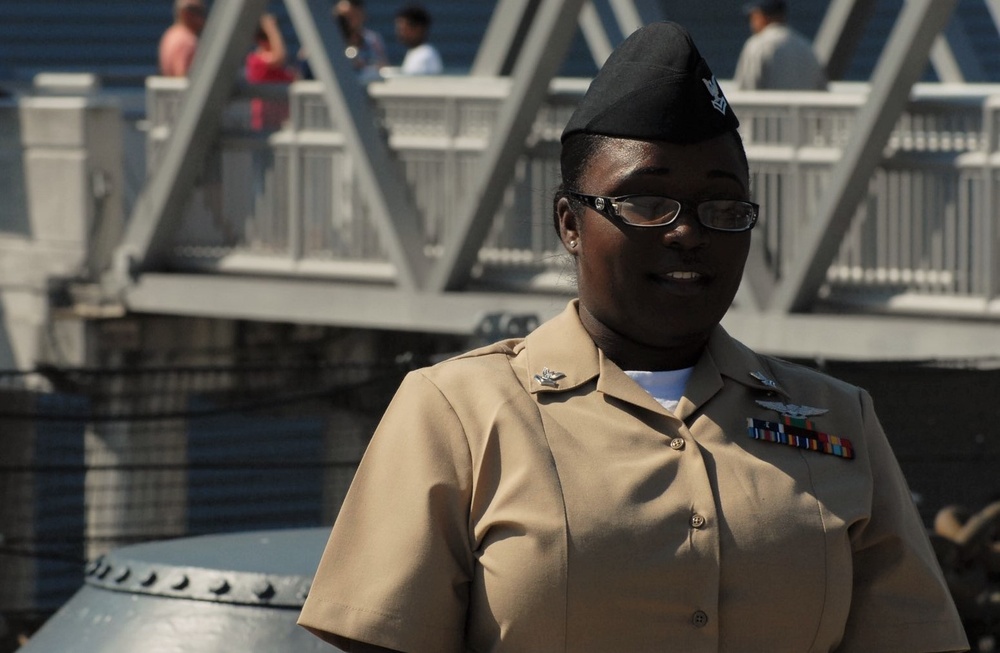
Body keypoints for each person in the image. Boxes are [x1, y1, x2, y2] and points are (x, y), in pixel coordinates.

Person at [298, 21, 969, 653]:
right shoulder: (458, 413)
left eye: (723, 206)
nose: (688, 231)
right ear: (568, 222)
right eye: (646, 202)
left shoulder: (837, 416)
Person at [733, 0, 827, 90]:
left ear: (761, 16)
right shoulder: (807, 48)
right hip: (806, 106)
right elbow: (822, 93)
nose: (751, 24)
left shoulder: (757, 46)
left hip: (768, 106)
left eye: (752, 17)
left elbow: (746, 93)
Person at [245, 13, 297, 131]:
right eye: (266, 37)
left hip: (283, 122)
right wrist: (271, 29)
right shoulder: (255, 60)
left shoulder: (280, 67)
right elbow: (279, 57)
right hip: (266, 124)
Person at [335, 0, 388, 82]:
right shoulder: (330, 41)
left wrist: (363, 66)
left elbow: (382, 66)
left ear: (362, 15)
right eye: (343, 18)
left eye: (351, 16)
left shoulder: (372, 39)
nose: (346, 22)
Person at [158, 0, 207, 77]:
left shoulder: (170, 34)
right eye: (198, 12)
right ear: (185, 13)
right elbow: (182, 77)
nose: (202, 17)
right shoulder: (186, 40)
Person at [393, 3, 443, 75]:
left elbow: (415, 84)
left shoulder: (424, 56)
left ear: (418, 29)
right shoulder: (416, 53)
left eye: (403, 29)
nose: (399, 33)